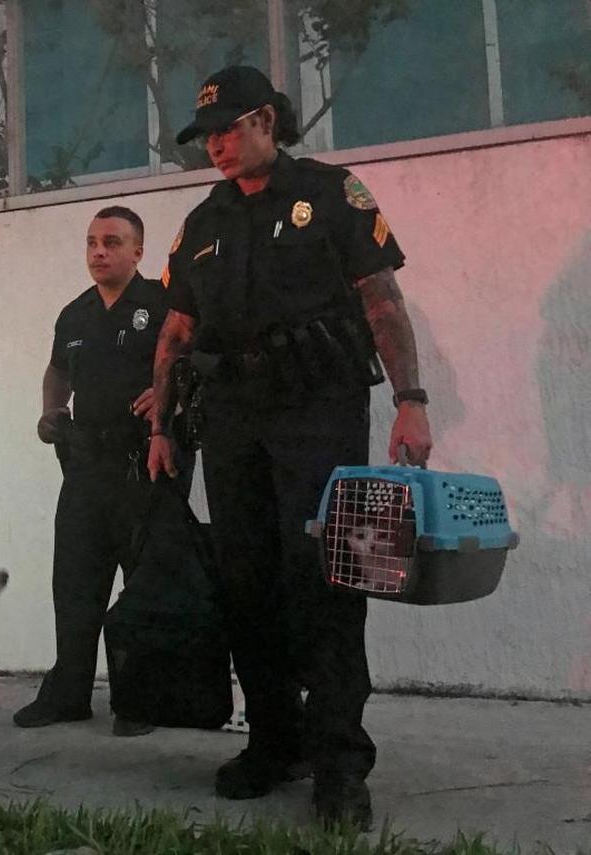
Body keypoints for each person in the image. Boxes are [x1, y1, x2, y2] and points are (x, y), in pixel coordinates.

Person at [147, 66, 433, 829]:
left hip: (319, 412)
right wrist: (161, 426)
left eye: (230, 127)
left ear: (269, 120)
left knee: (325, 582)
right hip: (233, 420)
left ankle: (340, 761)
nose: (217, 144)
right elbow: (176, 333)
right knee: (247, 584)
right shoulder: (203, 220)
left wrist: (411, 401)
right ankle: (275, 739)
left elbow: (382, 300)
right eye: (207, 134)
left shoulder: (333, 194)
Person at [13, 206, 176, 736]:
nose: (99, 251)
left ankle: (138, 701)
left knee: (144, 584)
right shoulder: (75, 314)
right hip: (86, 463)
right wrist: (49, 410)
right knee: (76, 581)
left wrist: (170, 397)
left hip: (144, 462)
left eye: (112, 241)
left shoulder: (162, 303)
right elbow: (57, 371)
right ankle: (69, 693)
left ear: (138, 251)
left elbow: (191, 360)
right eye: (91, 243)